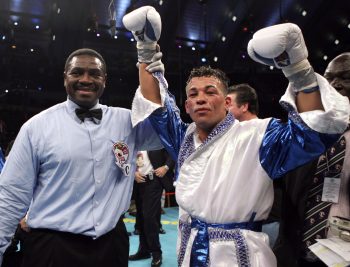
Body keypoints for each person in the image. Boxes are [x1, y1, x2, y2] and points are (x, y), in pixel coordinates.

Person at [123, 6, 350, 266]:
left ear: (226, 101)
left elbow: (313, 133)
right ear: (187, 106)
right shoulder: (184, 138)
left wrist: (298, 68)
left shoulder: (259, 134)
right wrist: (146, 48)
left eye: (210, 92)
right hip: (189, 250)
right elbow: (159, 107)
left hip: (240, 255)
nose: (201, 100)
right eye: (194, 95)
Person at [0, 48, 163, 267]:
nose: (85, 79)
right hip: (52, 248)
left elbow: (166, 130)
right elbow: (11, 195)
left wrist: (153, 72)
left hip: (111, 246)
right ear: (65, 77)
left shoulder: (127, 122)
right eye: (77, 72)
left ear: (104, 80)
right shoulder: (36, 128)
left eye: (94, 74)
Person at [274, 52, 350, 267]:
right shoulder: (301, 131)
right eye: (330, 78)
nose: (336, 84)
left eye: (346, 77)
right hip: (297, 251)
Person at [129, 149, 175, 266]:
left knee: (150, 218)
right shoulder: (135, 138)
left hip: (154, 181)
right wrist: (133, 172)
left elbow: (172, 150)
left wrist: (166, 167)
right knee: (141, 217)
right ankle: (143, 250)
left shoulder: (156, 135)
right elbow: (127, 158)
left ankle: (156, 253)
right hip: (138, 182)